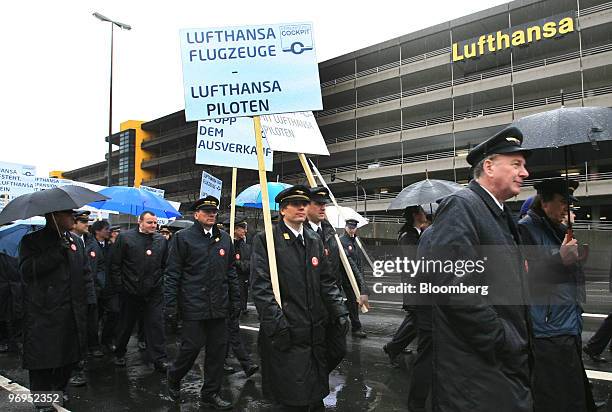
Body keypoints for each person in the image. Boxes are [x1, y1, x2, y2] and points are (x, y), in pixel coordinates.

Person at [424, 126, 533, 412]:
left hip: (496, 363)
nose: (525, 173)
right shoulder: (462, 206)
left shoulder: (496, 212)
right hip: (478, 366)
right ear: (489, 166)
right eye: (516, 164)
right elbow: (455, 286)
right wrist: (501, 338)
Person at [251, 185, 349, 411]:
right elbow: (261, 288)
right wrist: (277, 325)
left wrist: (339, 311)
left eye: (304, 204)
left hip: (314, 330)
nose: (302, 208)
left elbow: (326, 281)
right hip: (288, 330)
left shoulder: (313, 239)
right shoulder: (267, 239)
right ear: (283, 210)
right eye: (296, 204)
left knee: (314, 392)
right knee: (293, 397)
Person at [519, 178, 596, 411]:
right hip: (547, 328)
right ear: (544, 202)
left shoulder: (559, 229)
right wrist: (559, 259)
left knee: (572, 393)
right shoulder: (525, 229)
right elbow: (522, 279)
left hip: (568, 322)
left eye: (569, 203)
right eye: (563, 202)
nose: (567, 208)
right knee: (555, 397)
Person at [165, 196, 241, 409]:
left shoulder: (224, 238)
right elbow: (172, 274)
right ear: (196, 214)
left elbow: (230, 272)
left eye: (214, 212)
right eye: (206, 211)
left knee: (217, 352)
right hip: (193, 305)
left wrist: (236, 300)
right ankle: (174, 375)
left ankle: (210, 393)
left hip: (219, 305)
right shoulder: (183, 238)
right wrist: (171, 306)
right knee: (191, 348)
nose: (211, 215)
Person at [19, 209, 93, 411]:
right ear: (54, 216)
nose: (73, 218)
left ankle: (58, 390)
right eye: (68, 214)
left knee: (68, 357)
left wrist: (89, 302)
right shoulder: (31, 241)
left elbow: (85, 274)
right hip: (44, 312)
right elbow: (27, 271)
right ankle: (43, 402)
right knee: (43, 360)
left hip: (72, 311)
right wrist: (55, 253)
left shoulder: (76, 241)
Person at [305, 186, 365, 373]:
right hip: (310, 305)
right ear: (306, 206)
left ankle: (317, 379)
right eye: (318, 203)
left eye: (324, 204)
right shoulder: (302, 233)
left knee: (338, 350)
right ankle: (314, 389)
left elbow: (348, 264)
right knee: (312, 352)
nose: (323, 207)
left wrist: (361, 289)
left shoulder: (330, 233)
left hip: (331, 301)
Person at [111, 211, 169, 372]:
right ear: (140, 221)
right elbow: (115, 264)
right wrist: (120, 287)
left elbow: (165, 264)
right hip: (130, 291)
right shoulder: (125, 238)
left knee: (156, 324)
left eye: (155, 223)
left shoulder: (160, 241)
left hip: (154, 291)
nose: (153, 226)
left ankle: (160, 359)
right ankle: (120, 352)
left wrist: (160, 283)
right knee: (126, 324)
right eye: (149, 222)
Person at [383, 205, 428, 365]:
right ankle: (393, 347)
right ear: (416, 215)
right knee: (416, 320)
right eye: (422, 212)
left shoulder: (416, 233)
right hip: (414, 285)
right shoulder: (408, 236)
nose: (425, 214)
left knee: (415, 320)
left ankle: (395, 346)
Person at [68, 211, 98, 387]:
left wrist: (91, 295)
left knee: (83, 332)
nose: (87, 224)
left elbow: (87, 272)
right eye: (83, 221)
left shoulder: (81, 241)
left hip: (83, 297)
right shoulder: (62, 242)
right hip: (64, 300)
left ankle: (78, 364)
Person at [88, 220, 119, 355]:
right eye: (106, 229)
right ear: (97, 231)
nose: (109, 231)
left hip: (109, 288)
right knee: (94, 319)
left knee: (114, 312)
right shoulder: (90, 246)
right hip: (96, 289)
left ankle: (107, 340)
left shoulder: (111, 246)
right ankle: (93, 345)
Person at [339, 219, 369, 338]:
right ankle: (356, 327)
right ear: (346, 227)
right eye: (350, 227)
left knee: (352, 302)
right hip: (346, 277)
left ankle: (340, 310)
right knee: (353, 301)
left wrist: (362, 278)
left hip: (355, 276)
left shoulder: (355, 241)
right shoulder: (342, 241)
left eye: (354, 227)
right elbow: (349, 263)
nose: (352, 229)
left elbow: (359, 262)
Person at [233, 218, 251, 313]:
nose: (245, 231)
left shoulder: (246, 245)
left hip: (242, 278)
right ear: (235, 229)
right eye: (242, 228)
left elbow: (249, 262)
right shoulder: (229, 243)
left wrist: (238, 263)